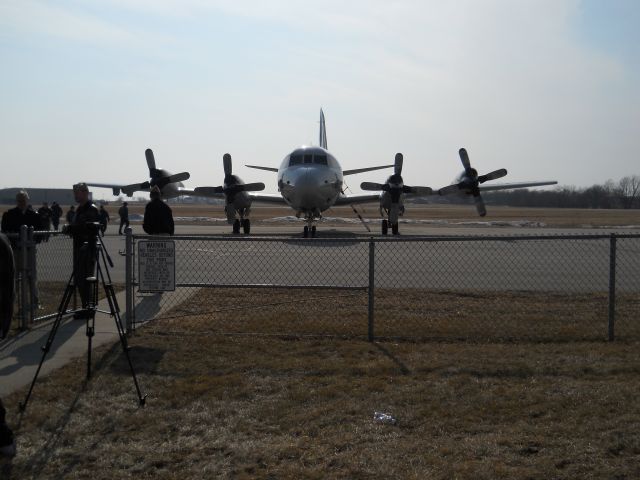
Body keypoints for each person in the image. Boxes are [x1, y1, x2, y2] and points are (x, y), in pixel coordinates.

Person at [1, 190, 42, 311]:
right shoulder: (9, 215)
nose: (21, 202)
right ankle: (13, 303)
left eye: (23, 200)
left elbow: (39, 233)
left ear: (27, 201)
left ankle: (34, 302)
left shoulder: (34, 215)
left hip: (29, 251)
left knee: (31, 277)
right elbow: (5, 231)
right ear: (16, 201)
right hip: (15, 250)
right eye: (19, 200)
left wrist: (32, 241)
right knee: (15, 277)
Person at [68, 183, 100, 317]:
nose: (75, 194)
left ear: (85, 193)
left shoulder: (91, 209)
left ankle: (88, 308)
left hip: (87, 249)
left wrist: (71, 229)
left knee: (85, 279)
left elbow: (88, 228)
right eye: (74, 192)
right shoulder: (79, 209)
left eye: (78, 192)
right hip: (79, 248)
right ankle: (85, 306)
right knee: (80, 279)